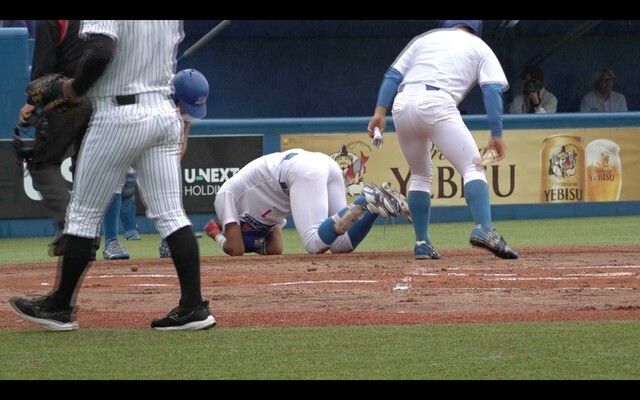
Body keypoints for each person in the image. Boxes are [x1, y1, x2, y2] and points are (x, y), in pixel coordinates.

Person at [9, 21, 215, 331]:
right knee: (172, 214)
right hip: (162, 112)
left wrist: (74, 88)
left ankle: (60, 306)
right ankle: (193, 306)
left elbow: (102, 49)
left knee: (82, 215)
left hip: (118, 115)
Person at [366, 20, 518, 260]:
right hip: (436, 103)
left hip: (402, 104)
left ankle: (422, 242)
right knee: (472, 166)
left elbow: (393, 75)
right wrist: (496, 135)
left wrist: (379, 113)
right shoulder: (479, 46)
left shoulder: (425, 38)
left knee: (420, 175)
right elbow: (491, 89)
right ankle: (485, 229)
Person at [202, 148, 410, 256]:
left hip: (299, 169)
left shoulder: (225, 195)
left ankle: (364, 199)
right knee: (340, 245)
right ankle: (372, 205)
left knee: (313, 243)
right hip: (319, 165)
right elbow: (275, 248)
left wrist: (217, 235)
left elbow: (236, 249)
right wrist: (256, 243)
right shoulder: (261, 219)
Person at [101, 68, 209, 260]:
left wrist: (167, 163)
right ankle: (111, 242)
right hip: (125, 128)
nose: (186, 110)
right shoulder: (149, 97)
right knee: (115, 182)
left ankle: (172, 236)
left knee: (168, 179)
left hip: (159, 135)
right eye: (184, 105)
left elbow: (181, 141)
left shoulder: (186, 100)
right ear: (175, 96)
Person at [16, 20, 97, 260]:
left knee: (42, 163)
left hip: (66, 97)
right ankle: (89, 237)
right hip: (103, 99)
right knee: (87, 167)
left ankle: (72, 230)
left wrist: (32, 101)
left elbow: (43, 66)